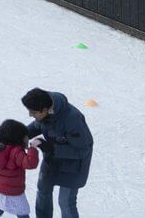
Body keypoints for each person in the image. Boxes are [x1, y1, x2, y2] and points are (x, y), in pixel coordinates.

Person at [22, 88, 93, 218]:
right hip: (53, 160)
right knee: (43, 192)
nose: (30, 115)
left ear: (44, 109)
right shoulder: (45, 112)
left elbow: (83, 150)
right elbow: (36, 126)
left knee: (65, 202)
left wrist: (51, 148)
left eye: (33, 112)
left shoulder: (73, 119)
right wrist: (18, 135)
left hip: (73, 165)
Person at [0, 119, 40, 218]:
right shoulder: (16, 152)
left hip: (0, 189)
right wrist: (33, 148)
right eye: (25, 136)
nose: (27, 138)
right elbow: (30, 163)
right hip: (14, 192)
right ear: (18, 138)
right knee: (22, 213)